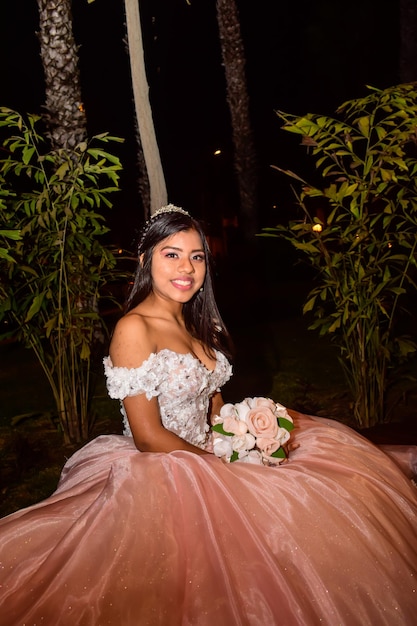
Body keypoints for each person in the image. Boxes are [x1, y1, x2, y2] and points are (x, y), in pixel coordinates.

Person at [0, 204, 416, 625]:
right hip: (165, 469)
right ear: (145, 260)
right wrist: (221, 464)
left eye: (197, 256)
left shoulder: (198, 325)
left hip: (210, 449)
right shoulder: (134, 328)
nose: (187, 267)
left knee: (325, 495)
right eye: (172, 254)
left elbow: (213, 403)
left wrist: (241, 435)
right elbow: (147, 435)